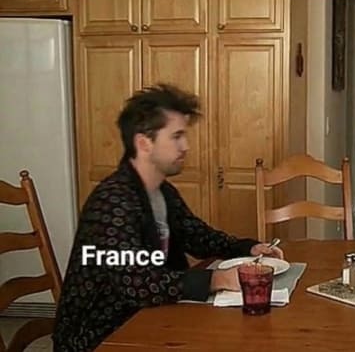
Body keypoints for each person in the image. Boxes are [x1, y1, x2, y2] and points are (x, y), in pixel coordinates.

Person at [53, 84, 283, 352]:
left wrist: (248, 248)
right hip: (101, 337)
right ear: (144, 143)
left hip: (152, 320)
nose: (186, 146)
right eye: (176, 136)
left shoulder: (162, 191)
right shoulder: (112, 201)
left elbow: (197, 236)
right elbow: (135, 282)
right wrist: (216, 280)